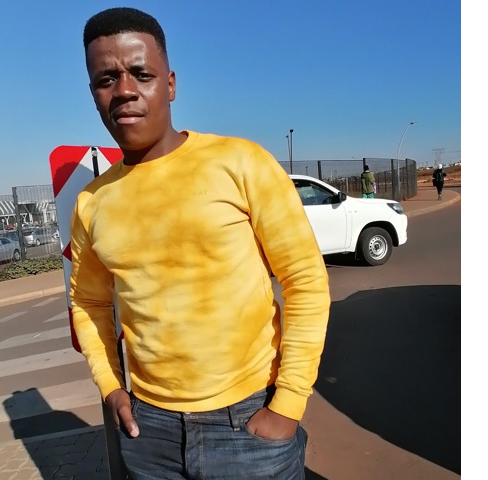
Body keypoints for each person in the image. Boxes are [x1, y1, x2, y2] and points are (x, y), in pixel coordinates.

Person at [69, 7, 331, 479]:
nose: (124, 89)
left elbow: (305, 281)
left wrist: (288, 405)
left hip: (249, 423)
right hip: (150, 435)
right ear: (94, 94)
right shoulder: (92, 203)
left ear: (170, 84)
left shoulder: (240, 163)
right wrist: (111, 387)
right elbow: (88, 302)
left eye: (141, 74)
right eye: (106, 79)